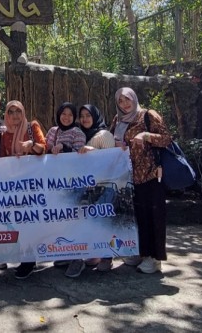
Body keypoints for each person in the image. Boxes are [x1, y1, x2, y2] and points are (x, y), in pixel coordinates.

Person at [111, 87, 171, 274]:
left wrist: (145, 136)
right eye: (120, 101)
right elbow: (109, 141)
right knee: (135, 217)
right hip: (128, 178)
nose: (125, 104)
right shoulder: (117, 120)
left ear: (134, 98)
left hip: (150, 174)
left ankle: (154, 259)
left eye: (127, 99)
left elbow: (167, 139)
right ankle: (140, 252)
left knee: (153, 217)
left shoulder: (147, 115)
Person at [62, 104, 117, 278]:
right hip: (84, 189)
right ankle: (86, 255)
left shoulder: (104, 135)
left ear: (95, 116)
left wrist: (94, 152)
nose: (85, 119)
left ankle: (106, 257)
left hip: (103, 188)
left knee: (101, 222)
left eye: (88, 115)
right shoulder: (78, 135)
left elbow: (111, 161)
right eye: (82, 115)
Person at [0, 100, 46, 279]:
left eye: (18, 111)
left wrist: (30, 145)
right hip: (13, 184)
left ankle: (29, 260)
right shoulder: (5, 135)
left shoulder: (32, 126)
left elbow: (43, 148)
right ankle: (22, 256)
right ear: (7, 115)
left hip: (31, 184)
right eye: (11, 112)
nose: (15, 116)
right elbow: (1, 158)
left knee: (29, 221)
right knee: (17, 221)